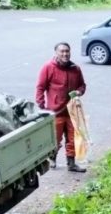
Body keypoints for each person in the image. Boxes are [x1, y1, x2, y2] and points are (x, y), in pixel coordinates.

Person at [35, 42, 87, 172]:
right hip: (55, 112)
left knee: (72, 139)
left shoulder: (75, 69)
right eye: (62, 51)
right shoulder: (48, 67)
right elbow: (40, 87)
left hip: (72, 111)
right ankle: (52, 158)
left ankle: (71, 163)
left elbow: (82, 85)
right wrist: (42, 105)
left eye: (67, 51)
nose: (65, 54)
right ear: (56, 53)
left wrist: (79, 92)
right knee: (55, 139)